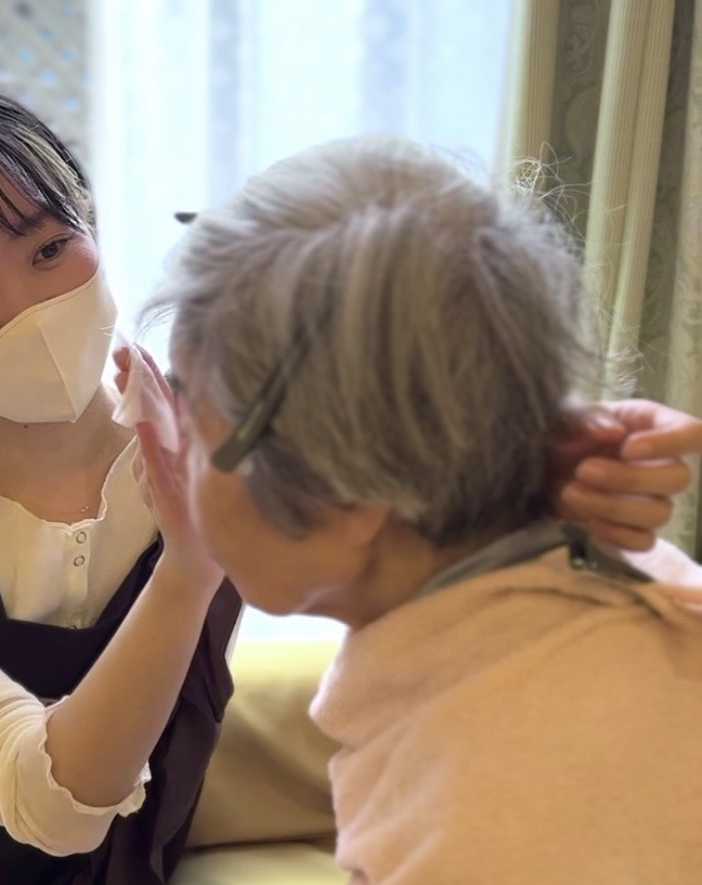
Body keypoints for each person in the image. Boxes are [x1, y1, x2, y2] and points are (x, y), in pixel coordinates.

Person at [0, 78, 700, 884]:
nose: (29, 309)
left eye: (46, 249)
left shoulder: (238, 391)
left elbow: (391, 371)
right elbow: (49, 804)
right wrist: (190, 561)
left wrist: (534, 446)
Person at [148, 134, 702, 883]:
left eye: (190, 411)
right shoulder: (586, 554)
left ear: (347, 490)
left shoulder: (484, 825)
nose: (169, 445)